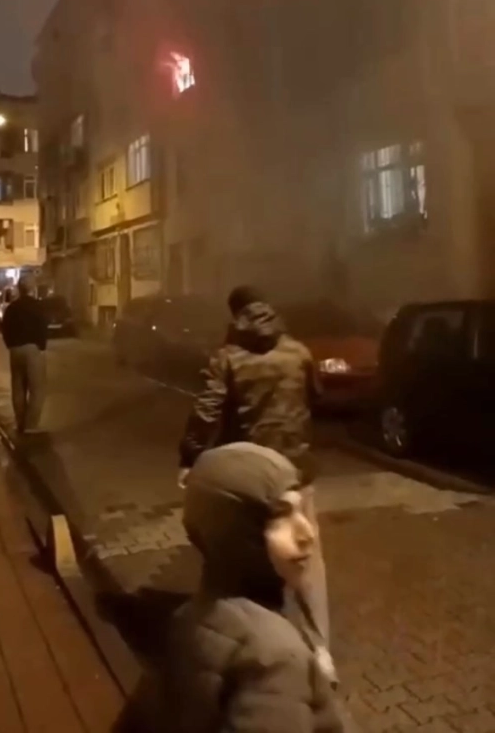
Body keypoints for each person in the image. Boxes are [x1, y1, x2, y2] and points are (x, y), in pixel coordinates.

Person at [119, 443, 343, 733]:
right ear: (237, 534)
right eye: (279, 516)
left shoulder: (188, 616)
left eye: (301, 511)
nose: (307, 533)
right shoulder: (276, 659)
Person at [178, 284, 331, 669]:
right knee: (307, 556)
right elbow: (317, 397)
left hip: (252, 476)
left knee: (250, 561)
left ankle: (263, 647)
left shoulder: (228, 357)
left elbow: (207, 411)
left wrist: (190, 455)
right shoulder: (298, 351)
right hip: (295, 470)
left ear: (236, 315)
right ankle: (320, 649)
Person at [1, 278, 48, 434]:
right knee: (37, 389)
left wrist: (10, 345)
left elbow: (5, 328)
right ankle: (31, 425)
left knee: (18, 388)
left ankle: (20, 422)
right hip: (32, 349)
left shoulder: (11, 308)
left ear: (19, 289)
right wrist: (41, 346)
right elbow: (42, 327)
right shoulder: (37, 306)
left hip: (15, 350)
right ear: (32, 288)